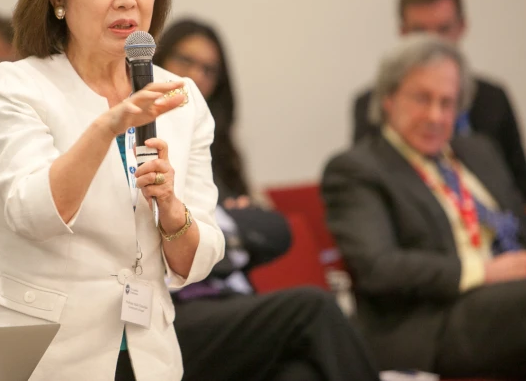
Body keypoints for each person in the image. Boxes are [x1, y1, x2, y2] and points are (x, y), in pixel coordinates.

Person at [0, 0, 225, 381]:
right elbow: (31, 214)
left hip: (144, 352)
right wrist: (108, 126)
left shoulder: (180, 97)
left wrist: (170, 209)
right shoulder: (14, 86)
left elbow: (201, 256)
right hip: (24, 350)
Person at [323, 35, 526, 379]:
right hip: (440, 316)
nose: (435, 115)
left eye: (447, 103)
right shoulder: (359, 168)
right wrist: (487, 271)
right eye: (422, 99)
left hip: (517, 301)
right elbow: (379, 268)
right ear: (388, 98)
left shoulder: (479, 153)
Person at [156, 19, 380, 381]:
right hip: (176, 309)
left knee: (298, 375)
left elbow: (273, 232)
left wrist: (221, 232)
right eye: (186, 61)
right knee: (314, 307)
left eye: (210, 69)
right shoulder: (144, 141)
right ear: (161, 58)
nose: (197, 76)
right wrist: (226, 228)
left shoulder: (221, 156)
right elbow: (168, 242)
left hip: (232, 303)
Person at [351, 0, 526, 204]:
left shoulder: (492, 100)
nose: (433, 43)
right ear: (402, 33)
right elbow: (366, 190)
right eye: (419, 31)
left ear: (462, 28)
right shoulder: (375, 101)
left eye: (443, 30)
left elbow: (525, 195)